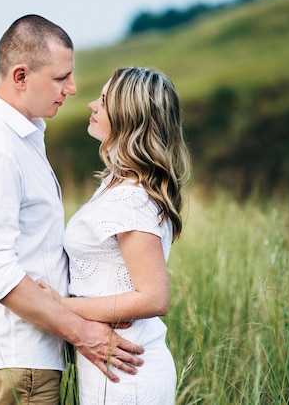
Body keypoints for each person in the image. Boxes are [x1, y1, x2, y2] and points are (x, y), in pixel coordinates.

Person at [0, 15, 144, 404]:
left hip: (32, 358)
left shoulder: (23, 138)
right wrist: (82, 332)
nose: (71, 89)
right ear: (21, 76)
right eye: (60, 78)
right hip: (19, 358)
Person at [39, 67, 191, 404]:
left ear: (129, 117)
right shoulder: (115, 184)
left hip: (130, 370)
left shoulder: (131, 198)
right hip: (113, 364)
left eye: (105, 100)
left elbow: (154, 298)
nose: (92, 104)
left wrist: (63, 308)